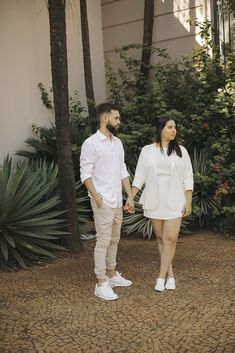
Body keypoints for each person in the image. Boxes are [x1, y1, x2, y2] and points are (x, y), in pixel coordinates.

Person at [131, 116, 193, 292]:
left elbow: (188, 177)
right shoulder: (147, 151)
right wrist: (131, 197)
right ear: (160, 130)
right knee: (161, 239)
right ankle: (170, 276)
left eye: (175, 127)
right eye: (170, 127)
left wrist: (188, 200)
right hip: (154, 199)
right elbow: (140, 176)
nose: (174, 130)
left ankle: (160, 277)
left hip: (175, 200)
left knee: (171, 239)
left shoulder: (181, 151)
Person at [80, 102, 134, 301]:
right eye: (116, 118)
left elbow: (122, 170)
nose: (119, 122)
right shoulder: (91, 143)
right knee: (102, 241)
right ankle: (101, 282)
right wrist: (97, 197)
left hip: (118, 200)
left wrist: (129, 196)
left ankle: (111, 275)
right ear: (105, 119)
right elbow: (85, 174)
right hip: (102, 200)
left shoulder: (117, 143)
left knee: (114, 239)